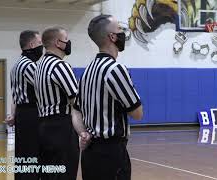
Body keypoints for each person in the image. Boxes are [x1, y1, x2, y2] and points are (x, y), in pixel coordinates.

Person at [73, 14, 143, 180]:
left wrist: (83, 132)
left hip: (89, 153)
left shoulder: (88, 70)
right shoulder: (116, 69)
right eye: (119, 29)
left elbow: (75, 111)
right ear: (112, 37)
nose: (122, 33)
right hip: (111, 154)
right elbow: (138, 113)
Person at [33, 26, 86, 180]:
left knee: (48, 174)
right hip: (61, 127)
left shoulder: (39, 65)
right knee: (65, 173)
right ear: (58, 43)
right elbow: (76, 100)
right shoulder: (60, 66)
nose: (68, 43)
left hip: (43, 126)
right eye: (66, 39)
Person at [6, 30, 43, 180]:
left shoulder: (16, 65)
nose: (42, 47)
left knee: (22, 154)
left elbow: (15, 97)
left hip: (22, 114)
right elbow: (43, 88)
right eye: (40, 43)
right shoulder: (29, 65)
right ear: (32, 44)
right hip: (31, 114)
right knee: (32, 154)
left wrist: (13, 115)